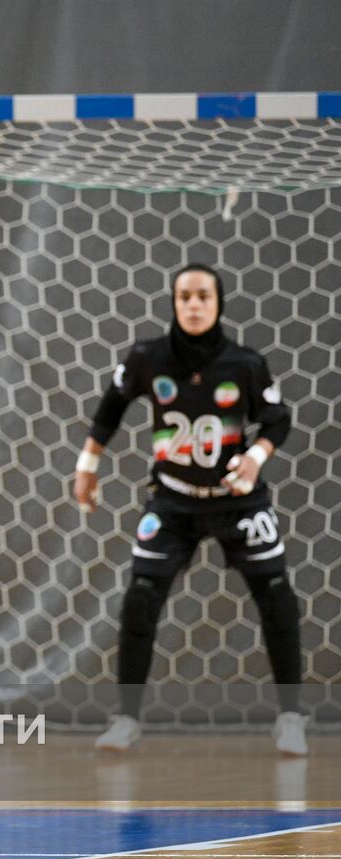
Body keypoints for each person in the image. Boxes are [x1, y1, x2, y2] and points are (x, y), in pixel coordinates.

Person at [74, 263, 305, 756]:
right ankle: (126, 719)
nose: (194, 305)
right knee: (139, 598)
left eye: (203, 295)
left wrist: (255, 457)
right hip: (172, 500)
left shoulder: (244, 363)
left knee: (278, 595)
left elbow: (277, 419)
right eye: (185, 296)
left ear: (219, 302)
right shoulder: (147, 358)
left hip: (239, 502)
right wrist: (87, 465)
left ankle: (290, 717)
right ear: (173, 303)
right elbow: (110, 407)